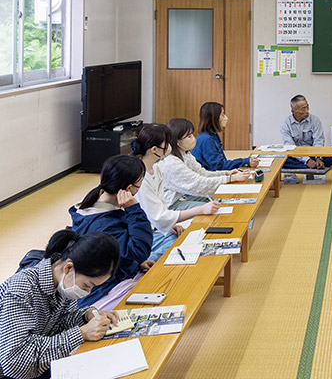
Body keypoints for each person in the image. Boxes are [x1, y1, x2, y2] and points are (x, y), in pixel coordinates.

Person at [0, 230, 121, 379]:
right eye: (86, 285)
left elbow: (59, 324)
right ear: (69, 268)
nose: (88, 292)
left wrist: (86, 316)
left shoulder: (62, 283)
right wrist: (81, 333)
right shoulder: (21, 290)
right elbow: (15, 363)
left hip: (35, 365)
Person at [70, 154, 154, 307]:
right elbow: (140, 250)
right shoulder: (104, 224)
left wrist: (135, 264)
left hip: (115, 274)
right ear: (129, 188)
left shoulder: (93, 204)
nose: (142, 184)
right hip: (103, 289)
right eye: (140, 180)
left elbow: (124, 252)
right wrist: (134, 209)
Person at [131, 124, 220, 260]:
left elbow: (161, 207)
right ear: (154, 150)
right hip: (144, 231)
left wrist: (171, 225)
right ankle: (139, 261)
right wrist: (200, 210)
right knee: (182, 245)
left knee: (187, 238)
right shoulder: (140, 177)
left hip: (155, 226)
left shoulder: (156, 170)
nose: (170, 146)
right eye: (166, 143)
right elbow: (157, 216)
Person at [159, 118, 250, 209]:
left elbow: (202, 173)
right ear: (178, 142)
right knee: (216, 207)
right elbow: (199, 183)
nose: (194, 138)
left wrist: (226, 173)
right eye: (189, 136)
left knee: (222, 200)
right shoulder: (172, 163)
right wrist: (229, 178)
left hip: (183, 197)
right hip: (171, 204)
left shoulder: (186, 154)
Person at [192, 102, 260, 172]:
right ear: (214, 118)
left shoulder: (212, 135)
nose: (225, 117)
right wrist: (245, 162)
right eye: (222, 115)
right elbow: (219, 166)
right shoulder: (206, 139)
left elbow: (221, 163)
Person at [280, 95, 332, 170]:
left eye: (307, 107)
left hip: (312, 153)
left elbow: (319, 141)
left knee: (329, 159)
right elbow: (290, 147)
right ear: (293, 111)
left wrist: (318, 158)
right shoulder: (285, 124)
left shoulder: (315, 120)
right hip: (296, 155)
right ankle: (309, 165)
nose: (307, 111)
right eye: (303, 109)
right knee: (282, 160)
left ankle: (310, 165)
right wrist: (307, 160)